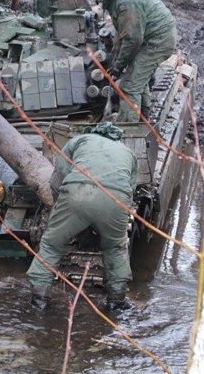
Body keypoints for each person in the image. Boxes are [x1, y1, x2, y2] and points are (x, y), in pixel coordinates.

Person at [26, 122, 137, 312]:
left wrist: (59, 208)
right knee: (116, 248)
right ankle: (116, 301)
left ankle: (39, 300)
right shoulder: (128, 152)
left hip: (77, 192)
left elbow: (57, 179)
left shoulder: (79, 140)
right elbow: (131, 189)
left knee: (52, 245)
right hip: (115, 198)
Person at [87, 0, 177, 123]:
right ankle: (144, 122)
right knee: (137, 80)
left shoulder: (126, 0)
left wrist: (119, 66)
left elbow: (132, 39)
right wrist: (115, 62)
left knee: (129, 87)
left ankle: (129, 134)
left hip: (157, 41)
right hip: (150, 38)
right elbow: (122, 35)